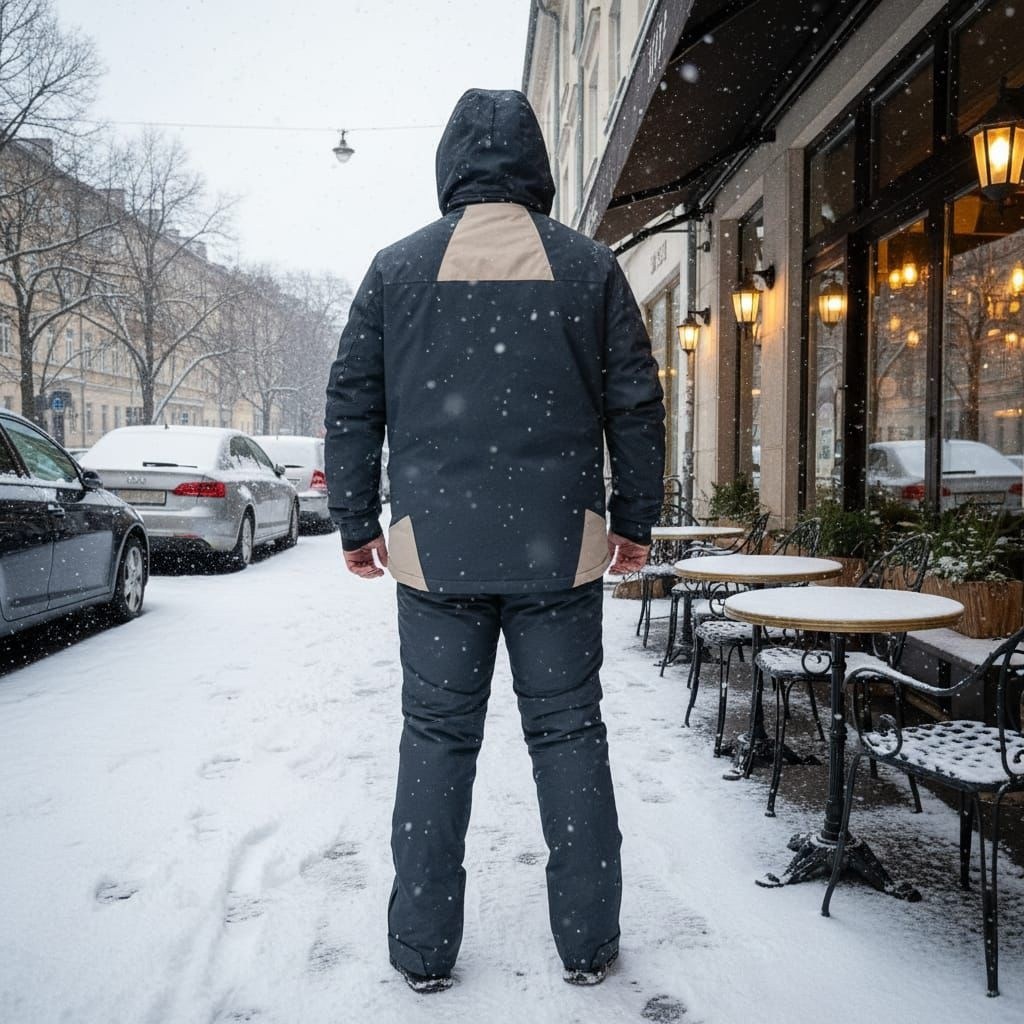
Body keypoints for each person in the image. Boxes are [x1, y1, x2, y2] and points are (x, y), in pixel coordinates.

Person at [324, 88, 665, 994]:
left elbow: (353, 404)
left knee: (435, 739)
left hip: (436, 553)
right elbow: (635, 402)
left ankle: (423, 951)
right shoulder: (590, 269)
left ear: (450, 167)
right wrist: (633, 520)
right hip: (559, 548)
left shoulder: (397, 270)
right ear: (538, 168)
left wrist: (359, 523)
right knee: (570, 736)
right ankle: (588, 942)